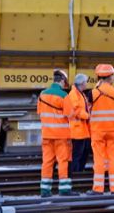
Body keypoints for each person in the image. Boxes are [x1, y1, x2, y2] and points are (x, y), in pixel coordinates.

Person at [38, 69, 73, 197]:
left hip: (47, 134)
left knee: (47, 162)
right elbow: (70, 115)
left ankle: (45, 190)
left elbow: (40, 113)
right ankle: (64, 189)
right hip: (61, 135)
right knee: (63, 161)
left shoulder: (42, 94)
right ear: (62, 80)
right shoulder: (64, 96)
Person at [89, 64, 114, 195]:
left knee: (99, 159)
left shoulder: (92, 93)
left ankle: (98, 189)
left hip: (98, 131)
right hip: (113, 131)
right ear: (109, 77)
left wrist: (97, 87)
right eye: (113, 75)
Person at [64, 73, 91, 173]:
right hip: (76, 131)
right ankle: (75, 173)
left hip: (81, 130)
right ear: (82, 83)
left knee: (83, 152)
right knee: (77, 153)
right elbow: (76, 110)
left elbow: (83, 107)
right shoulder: (74, 94)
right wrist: (88, 116)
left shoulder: (80, 94)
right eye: (86, 82)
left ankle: (78, 171)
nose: (87, 84)